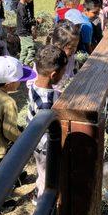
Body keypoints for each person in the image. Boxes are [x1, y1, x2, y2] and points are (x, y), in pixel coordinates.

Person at [27, 45, 68, 203]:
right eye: (63, 73)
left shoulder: (33, 85)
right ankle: (42, 204)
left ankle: (39, 190)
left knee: (41, 172)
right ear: (53, 74)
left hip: (35, 142)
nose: (64, 76)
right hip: (46, 146)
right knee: (48, 176)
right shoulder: (47, 103)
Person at [16, 0, 38, 66]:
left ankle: (20, 65)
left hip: (23, 31)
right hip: (24, 32)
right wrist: (36, 22)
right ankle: (26, 64)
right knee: (32, 48)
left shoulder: (25, 5)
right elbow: (25, 21)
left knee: (24, 50)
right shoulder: (21, 7)